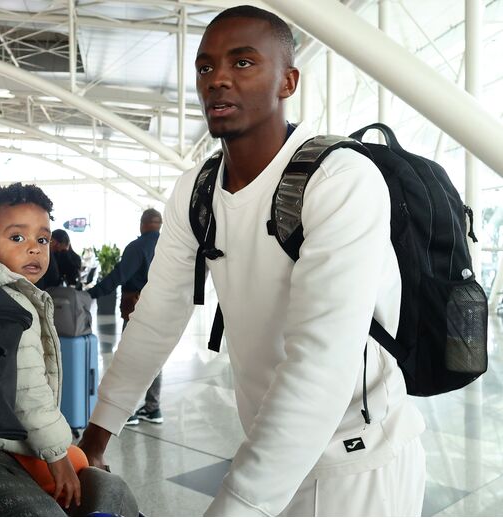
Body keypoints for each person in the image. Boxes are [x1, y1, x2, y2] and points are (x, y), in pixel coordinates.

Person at [78, 6, 425, 517]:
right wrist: (95, 440)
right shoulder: (195, 190)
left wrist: (238, 504)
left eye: (242, 63)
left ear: (288, 80)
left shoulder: (339, 179)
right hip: (269, 455)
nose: (217, 79)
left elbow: (321, 360)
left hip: (359, 466)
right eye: (205, 67)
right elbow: (157, 316)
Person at [0, 182, 86, 509]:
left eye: (42, 239)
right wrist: (58, 457)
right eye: (17, 237)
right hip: (2, 444)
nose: (34, 248)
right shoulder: (13, 303)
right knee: (81, 464)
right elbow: (28, 389)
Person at [85, 208, 163, 425]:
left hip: (138, 308)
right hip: (162, 309)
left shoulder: (137, 247)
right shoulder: (168, 247)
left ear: (143, 223)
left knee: (130, 357)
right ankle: (153, 408)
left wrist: (90, 294)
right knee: (154, 358)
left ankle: (128, 411)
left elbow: (118, 276)